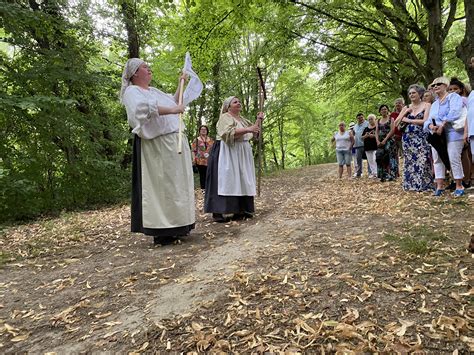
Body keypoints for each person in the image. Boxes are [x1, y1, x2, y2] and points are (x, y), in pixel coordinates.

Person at [120, 58, 195, 245]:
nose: (149, 69)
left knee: (177, 186)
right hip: (158, 146)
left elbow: (174, 101)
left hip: (173, 142)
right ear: (135, 73)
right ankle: (163, 230)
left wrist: (181, 83)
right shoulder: (132, 91)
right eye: (145, 67)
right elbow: (141, 109)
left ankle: (179, 225)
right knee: (164, 187)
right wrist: (172, 110)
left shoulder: (153, 91)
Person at [204, 96, 263, 222]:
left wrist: (258, 121)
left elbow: (253, 131)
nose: (239, 103)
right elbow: (227, 133)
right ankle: (219, 211)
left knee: (241, 178)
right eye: (235, 102)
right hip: (227, 151)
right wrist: (248, 129)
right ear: (228, 106)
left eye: (239, 101)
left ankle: (240, 209)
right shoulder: (225, 117)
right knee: (227, 178)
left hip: (241, 152)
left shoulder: (242, 119)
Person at [425, 76, 465, 197]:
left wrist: (443, 123)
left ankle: (459, 184)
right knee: (437, 158)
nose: (435, 87)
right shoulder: (435, 104)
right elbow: (427, 121)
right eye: (433, 85)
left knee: (454, 157)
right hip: (437, 135)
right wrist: (432, 127)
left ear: (446, 86)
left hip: (453, 132)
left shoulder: (453, 97)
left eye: (439, 84)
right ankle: (440, 186)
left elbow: (455, 112)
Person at [394, 84, 433, 191]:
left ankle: (424, 184)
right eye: (410, 93)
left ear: (420, 93)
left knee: (422, 159)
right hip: (407, 138)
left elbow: (425, 121)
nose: (411, 95)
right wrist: (405, 113)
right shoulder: (406, 107)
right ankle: (410, 184)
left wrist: (409, 120)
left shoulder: (427, 105)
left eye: (414, 93)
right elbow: (396, 123)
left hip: (421, 137)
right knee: (410, 161)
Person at [376, 104, 398, 182]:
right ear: (380, 111)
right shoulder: (378, 120)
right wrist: (378, 141)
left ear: (387, 110)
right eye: (382, 109)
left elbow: (392, 130)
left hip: (389, 140)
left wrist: (385, 139)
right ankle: (383, 175)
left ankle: (392, 175)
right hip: (380, 141)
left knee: (391, 157)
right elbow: (376, 132)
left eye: (385, 109)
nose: (384, 110)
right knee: (381, 157)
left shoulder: (391, 119)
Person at [191, 125, 214, 190]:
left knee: (209, 175)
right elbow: (193, 150)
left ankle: (209, 190)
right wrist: (193, 159)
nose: (203, 130)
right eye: (202, 129)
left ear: (207, 131)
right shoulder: (196, 140)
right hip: (200, 161)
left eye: (205, 129)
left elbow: (214, 150)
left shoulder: (211, 140)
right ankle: (203, 190)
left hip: (209, 161)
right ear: (199, 131)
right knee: (202, 176)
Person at [352, 113, 369, 177]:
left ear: (364, 117)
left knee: (369, 159)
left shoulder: (367, 123)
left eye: (361, 117)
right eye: (359, 118)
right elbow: (353, 134)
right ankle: (359, 173)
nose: (360, 119)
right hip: (357, 145)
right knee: (358, 160)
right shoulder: (355, 126)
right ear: (357, 119)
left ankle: (371, 172)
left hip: (366, 144)